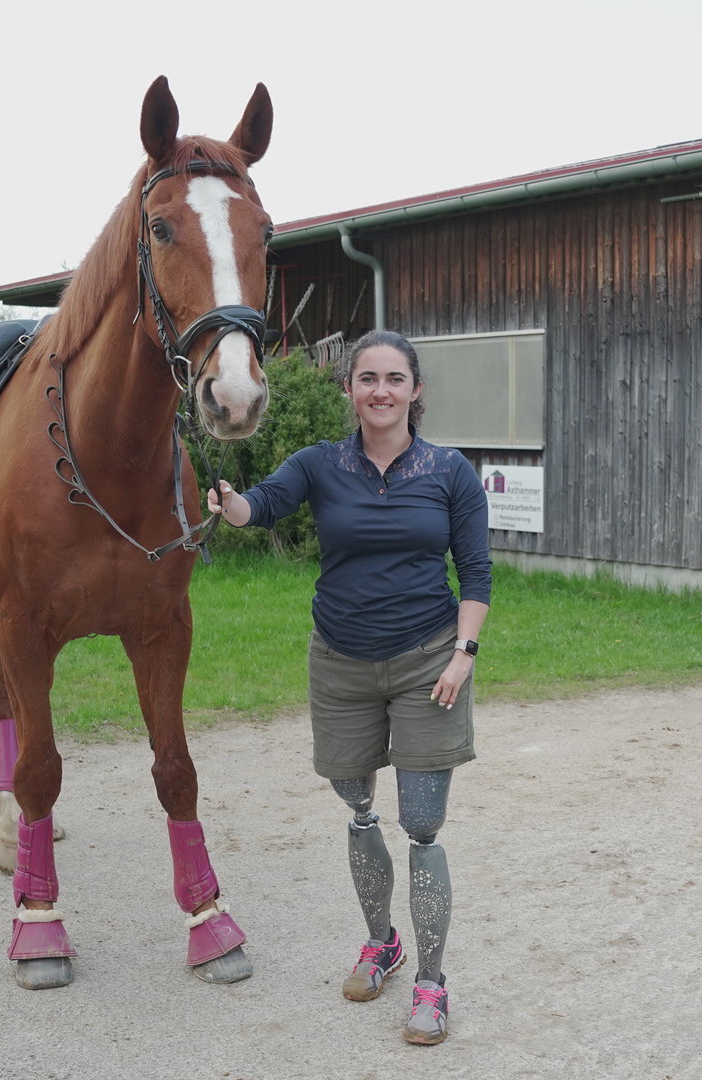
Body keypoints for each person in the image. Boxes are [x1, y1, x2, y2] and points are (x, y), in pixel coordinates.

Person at [208, 329, 490, 1046]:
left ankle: (432, 983)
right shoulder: (318, 464)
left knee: (422, 827)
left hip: (430, 662)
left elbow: (476, 573)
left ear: (415, 389)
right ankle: (381, 944)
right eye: (367, 378)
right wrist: (231, 502)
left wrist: (463, 654)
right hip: (340, 665)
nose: (381, 391)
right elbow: (262, 506)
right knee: (359, 812)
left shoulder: (451, 471)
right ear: (350, 390)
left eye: (395, 378)